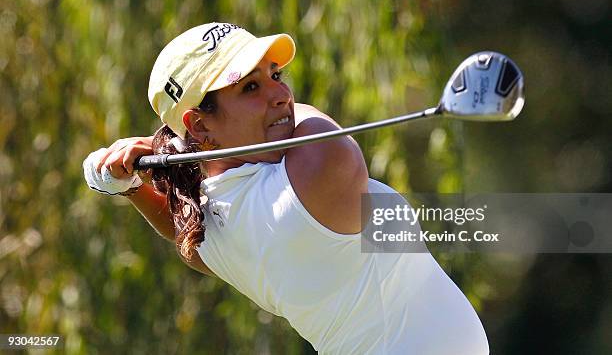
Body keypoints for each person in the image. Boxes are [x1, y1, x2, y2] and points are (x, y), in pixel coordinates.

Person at [83, 22, 489, 354]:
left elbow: (180, 228)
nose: (281, 95)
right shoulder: (318, 166)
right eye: (250, 87)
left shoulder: (208, 226)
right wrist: (160, 156)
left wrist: (133, 184)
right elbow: (310, 125)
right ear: (199, 124)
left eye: (275, 75)